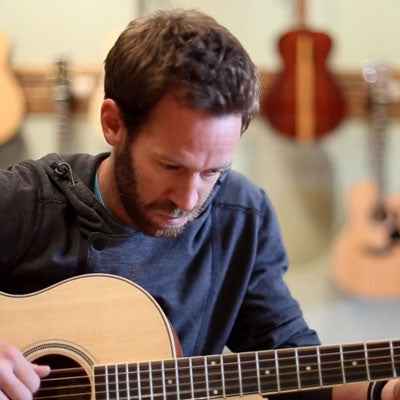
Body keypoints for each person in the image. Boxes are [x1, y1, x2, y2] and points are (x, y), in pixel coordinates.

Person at [0, 8, 398, 400]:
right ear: (113, 124)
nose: (188, 199)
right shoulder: (25, 201)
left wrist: (385, 391)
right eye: (171, 166)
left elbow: (291, 362)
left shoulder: (241, 216)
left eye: (213, 172)